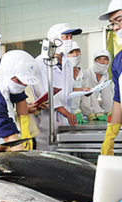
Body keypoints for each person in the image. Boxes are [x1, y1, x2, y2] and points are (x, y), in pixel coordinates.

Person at [31, 23, 82, 151]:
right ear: (54, 40)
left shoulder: (67, 64)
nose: (69, 40)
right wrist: (66, 113)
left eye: (71, 37)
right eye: (66, 37)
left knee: (65, 155)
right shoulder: (39, 63)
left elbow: (66, 90)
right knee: (47, 158)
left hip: (65, 122)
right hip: (46, 122)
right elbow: (44, 91)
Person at [99, 0, 122, 155]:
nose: (116, 27)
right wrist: (110, 136)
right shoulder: (118, 60)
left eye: (119, 20)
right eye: (112, 23)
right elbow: (118, 99)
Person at [82, 50, 114, 121]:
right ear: (94, 61)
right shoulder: (87, 74)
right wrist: (98, 112)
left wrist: (110, 111)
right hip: (83, 110)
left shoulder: (105, 75)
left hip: (93, 111)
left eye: (105, 59)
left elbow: (107, 94)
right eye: (99, 59)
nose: (102, 62)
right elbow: (89, 95)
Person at [66, 41, 89, 124]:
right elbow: (65, 93)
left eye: (78, 51)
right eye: (71, 52)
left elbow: (84, 98)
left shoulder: (84, 72)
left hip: (79, 115)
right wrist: (75, 111)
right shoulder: (62, 73)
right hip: (65, 115)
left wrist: (88, 113)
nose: (75, 55)